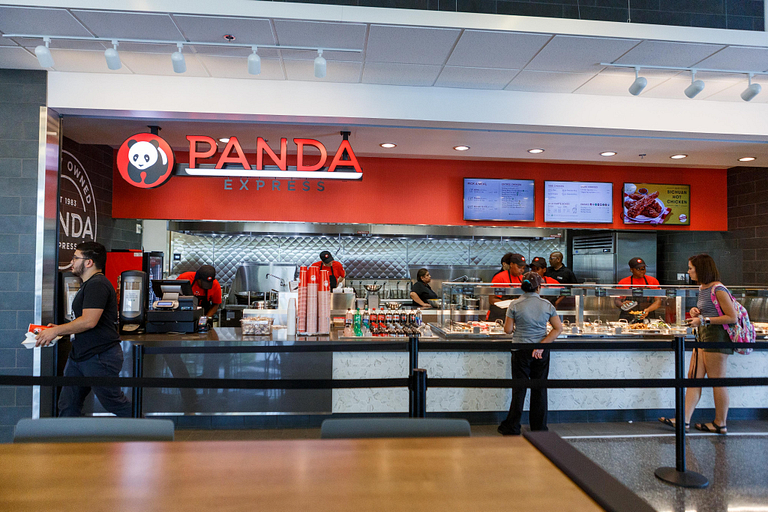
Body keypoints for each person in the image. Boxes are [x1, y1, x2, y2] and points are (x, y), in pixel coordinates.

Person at [35, 242, 132, 417]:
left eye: (75, 258)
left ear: (89, 262)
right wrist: (60, 328)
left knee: (115, 404)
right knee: (68, 405)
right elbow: (84, 320)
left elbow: (89, 321)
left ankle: (152, 434)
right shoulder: (89, 284)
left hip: (100, 356)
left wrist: (56, 331)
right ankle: (69, 444)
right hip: (80, 356)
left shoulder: (97, 285)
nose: (72, 262)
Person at [659, 254, 736, 434]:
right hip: (703, 337)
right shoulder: (703, 287)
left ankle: (720, 423)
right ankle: (683, 420)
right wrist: (697, 312)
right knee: (693, 379)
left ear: (701, 269)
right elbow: (710, 311)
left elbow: (732, 317)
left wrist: (703, 320)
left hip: (716, 338)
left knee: (718, 381)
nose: (688, 271)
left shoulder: (719, 289)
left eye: (691, 268)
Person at [498, 272, 563, 436]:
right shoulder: (547, 305)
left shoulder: (514, 305)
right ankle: (539, 428)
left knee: (519, 389)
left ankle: (512, 426)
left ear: (522, 287)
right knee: (539, 388)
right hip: (541, 350)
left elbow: (508, 330)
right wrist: (541, 346)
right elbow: (558, 328)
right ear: (539, 287)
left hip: (520, 350)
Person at [615, 257, 662, 321]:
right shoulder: (623, 282)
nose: (642, 271)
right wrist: (622, 304)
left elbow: (658, 301)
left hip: (647, 316)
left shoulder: (652, 281)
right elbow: (616, 301)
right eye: (638, 269)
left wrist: (648, 310)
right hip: (627, 317)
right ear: (631, 270)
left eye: (643, 268)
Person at [487, 253, 526, 322]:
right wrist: (510, 303)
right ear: (511, 264)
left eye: (523, 268)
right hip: (499, 316)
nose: (522, 270)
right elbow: (492, 299)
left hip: (515, 316)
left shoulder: (523, 279)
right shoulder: (500, 277)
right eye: (519, 267)